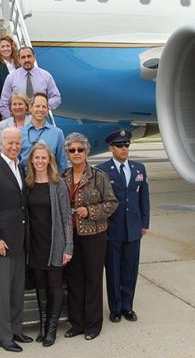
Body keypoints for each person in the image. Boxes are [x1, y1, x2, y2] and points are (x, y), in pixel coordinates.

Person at [0, 128, 33, 352]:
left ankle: (17, 329)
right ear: (1, 143)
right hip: (2, 243)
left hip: (19, 240)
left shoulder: (19, 166)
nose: (13, 147)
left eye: (17, 143)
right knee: (3, 292)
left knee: (17, 289)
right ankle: (4, 335)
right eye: (9, 143)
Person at [61, 132, 118, 341]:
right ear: (67, 153)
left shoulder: (98, 176)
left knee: (93, 279)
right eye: (72, 150)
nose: (76, 153)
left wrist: (90, 211)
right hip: (71, 236)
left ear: (86, 152)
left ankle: (93, 325)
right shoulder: (62, 177)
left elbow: (111, 203)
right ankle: (76, 323)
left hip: (94, 235)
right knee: (74, 279)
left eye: (80, 149)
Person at [97, 130, 150, 323]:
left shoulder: (139, 169)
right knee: (113, 270)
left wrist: (145, 222)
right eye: (120, 146)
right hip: (112, 229)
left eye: (126, 145)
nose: (124, 149)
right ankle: (115, 308)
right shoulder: (102, 170)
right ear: (111, 148)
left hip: (134, 229)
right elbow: (101, 200)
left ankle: (128, 306)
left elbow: (144, 197)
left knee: (130, 269)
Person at [25, 143, 72, 347]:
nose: (40, 161)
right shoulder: (28, 184)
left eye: (44, 158)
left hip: (55, 243)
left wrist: (68, 247)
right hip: (35, 244)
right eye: (37, 158)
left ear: (50, 160)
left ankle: (52, 328)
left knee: (54, 286)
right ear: (32, 161)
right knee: (40, 287)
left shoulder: (58, 184)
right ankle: (43, 326)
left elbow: (66, 219)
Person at [0, 46, 61, 119]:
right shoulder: (11, 77)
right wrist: (13, 120)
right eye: (23, 57)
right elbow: (3, 104)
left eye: (29, 56)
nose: (26, 59)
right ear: (19, 60)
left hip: (40, 120)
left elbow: (56, 97)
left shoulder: (46, 76)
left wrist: (42, 106)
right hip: (18, 123)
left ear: (34, 57)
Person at [20, 92, 67, 172]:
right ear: (30, 108)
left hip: (50, 182)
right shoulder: (20, 133)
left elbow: (62, 164)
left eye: (44, 107)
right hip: (26, 182)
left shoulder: (57, 133)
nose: (41, 109)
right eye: (37, 106)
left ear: (48, 109)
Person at [0, 35, 19, 115]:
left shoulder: (19, 64)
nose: (5, 49)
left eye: (8, 46)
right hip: (6, 107)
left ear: (12, 48)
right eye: (2, 46)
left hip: (20, 103)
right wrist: (2, 110)